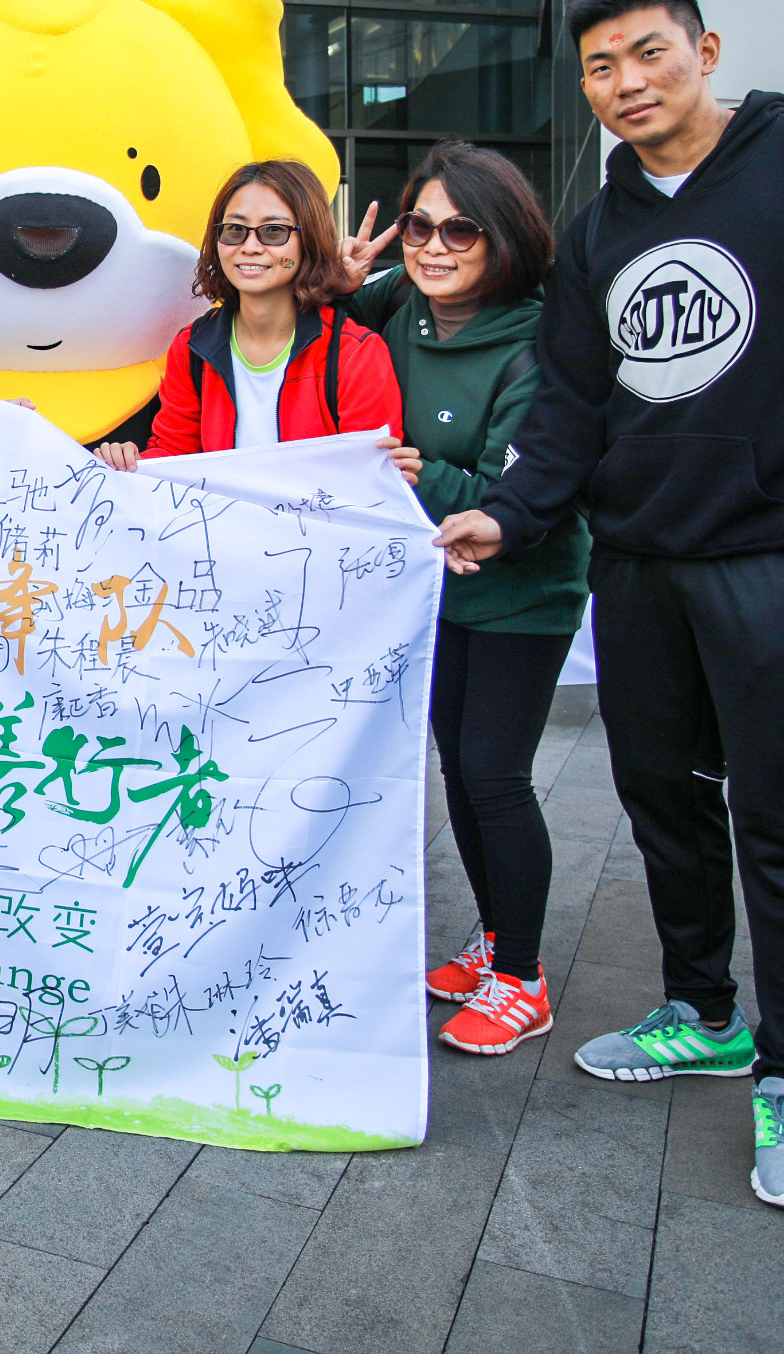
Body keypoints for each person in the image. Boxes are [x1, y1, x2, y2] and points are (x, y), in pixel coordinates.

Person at [432, 0, 784, 1213]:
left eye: (648, 53)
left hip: (781, 562)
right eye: (600, 67)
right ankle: (702, 1010)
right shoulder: (600, 228)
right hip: (640, 566)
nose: (627, 83)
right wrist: (510, 512)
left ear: (704, 50)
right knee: (662, 800)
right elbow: (569, 406)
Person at [332, 143, 591, 1057]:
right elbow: (322, 331)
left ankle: (522, 978)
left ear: (504, 238)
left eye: (460, 231)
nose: (433, 247)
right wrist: (339, 280)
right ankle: (494, 937)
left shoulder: (538, 344)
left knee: (494, 774)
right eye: (419, 225)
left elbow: (512, 494)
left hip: (522, 590)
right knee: (458, 769)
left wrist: (415, 472)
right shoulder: (397, 303)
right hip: (430, 595)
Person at [96, 158, 399, 469]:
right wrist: (128, 465)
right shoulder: (191, 348)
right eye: (234, 230)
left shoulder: (355, 355)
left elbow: (369, 477)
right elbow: (173, 458)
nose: (250, 246)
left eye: (273, 231)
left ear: (308, 240)